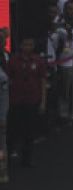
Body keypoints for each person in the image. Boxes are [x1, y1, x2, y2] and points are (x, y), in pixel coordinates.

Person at [6, 37, 48, 168]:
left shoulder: (38, 61)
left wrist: (43, 102)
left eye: (30, 45)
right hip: (15, 100)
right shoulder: (13, 61)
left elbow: (43, 81)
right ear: (21, 46)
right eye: (25, 44)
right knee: (12, 130)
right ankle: (8, 157)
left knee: (29, 132)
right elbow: (7, 79)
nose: (27, 47)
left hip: (32, 100)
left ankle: (27, 159)